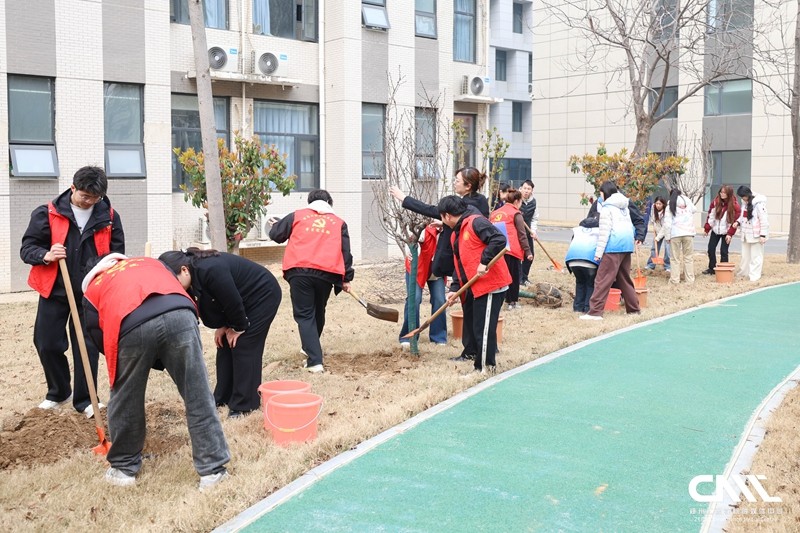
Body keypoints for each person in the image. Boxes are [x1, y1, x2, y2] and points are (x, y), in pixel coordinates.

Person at [82, 254, 230, 489]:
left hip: (130, 325)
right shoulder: (148, 262)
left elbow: (97, 335)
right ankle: (213, 471)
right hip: (181, 313)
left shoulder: (93, 287)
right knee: (197, 394)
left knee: (125, 398)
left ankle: (123, 469)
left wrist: (131, 365)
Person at [20, 165, 125, 417]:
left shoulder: (109, 216)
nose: (89, 201)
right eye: (85, 196)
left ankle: (86, 400)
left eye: (95, 198)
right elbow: (27, 248)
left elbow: (116, 253)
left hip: (90, 293)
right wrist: (46, 254)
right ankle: (58, 392)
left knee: (86, 346)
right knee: (46, 343)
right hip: (55, 290)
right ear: (73, 188)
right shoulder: (47, 213)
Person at [159, 248, 282, 417]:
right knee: (223, 342)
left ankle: (244, 405)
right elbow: (218, 300)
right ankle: (222, 397)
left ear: (184, 270)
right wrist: (224, 326)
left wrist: (238, 327)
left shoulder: (210, 269)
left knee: (244, 344)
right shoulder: (194, 273)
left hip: (262, 295)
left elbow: (232, 300)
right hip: (241, 300)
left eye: (174, 282)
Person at [388, 167, 490, 363]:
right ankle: (470, 349)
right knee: (465, 306)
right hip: (457, 262)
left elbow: (431, 210)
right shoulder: (477, 203)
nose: (454, 182)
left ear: (468, 185)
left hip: (463, 261)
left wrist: (404, 199)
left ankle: (473, 350)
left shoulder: (468, 205)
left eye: (457, 180)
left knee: (468, 307)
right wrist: (445, 224)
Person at [268, 189, 354, 373]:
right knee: (318, 311)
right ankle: (310, 346)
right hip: (326, 273)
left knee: (305, 314)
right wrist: (346, 277)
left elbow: (276, 235)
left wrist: (276, 225)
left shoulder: (297, 216)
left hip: (299, 270)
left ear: (309, 201)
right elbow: (345, 251)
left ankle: (315, 360)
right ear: (329, 202)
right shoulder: (338, 223)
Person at [440, 195, 511, 374]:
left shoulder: (475, 222)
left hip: (490, 285)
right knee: (476, 326)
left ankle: (485, 368)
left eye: (441, 216)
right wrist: (454, 289)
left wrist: (484, 261)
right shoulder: (456, 233)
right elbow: (460, 265)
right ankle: (480, 362)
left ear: (447, 216)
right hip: (474, 287)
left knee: (483, 328)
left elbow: (499, 239)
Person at [580, 181, 640, 320]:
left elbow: (604, 232)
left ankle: (595, 312)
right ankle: (634, 309)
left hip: (613, 246)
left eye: (600, 193)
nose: (599, 196)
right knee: (625, 279)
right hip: (626, 245)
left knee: (602, 279)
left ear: (605, 193)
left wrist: (598, 254)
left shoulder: (607, 208)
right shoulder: (624, 206)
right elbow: (631, 227)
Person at [399, 223, 447, 347]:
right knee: (414, 298)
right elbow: (413, 238)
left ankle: (438, 337)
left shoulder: (450, 232)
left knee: (440, 300)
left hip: (437, 270)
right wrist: (409, 248)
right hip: (417, 268)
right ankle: (409, 336)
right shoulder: (425, 231)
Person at [490, 189, 533, 310]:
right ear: (517, 201)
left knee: (501, 276)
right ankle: (512, 302)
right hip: (511, 250)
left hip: (497, 250)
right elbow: (522, 234)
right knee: (513, 277)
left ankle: (500, 300)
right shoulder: (515, 213)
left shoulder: (495, 213)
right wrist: (528, 252)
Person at [565, 212, 600, 313]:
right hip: (589, 261)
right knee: (590, 283)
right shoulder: (598, 232)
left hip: (572, 261)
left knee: (580, 282)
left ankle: (577, 307)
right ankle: (588, 307)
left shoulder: (577, 231)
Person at [702, 185, 741, 275]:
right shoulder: (715, 202)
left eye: (724, 193)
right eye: (721, 192)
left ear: (729, 193)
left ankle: (724, 270)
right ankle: (712, 268)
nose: (722, 194)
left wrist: (730, 234)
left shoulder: (734, 205)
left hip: (726, 232)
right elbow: (710, 216)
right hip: (716, 230)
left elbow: (735, 221)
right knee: (710, 249)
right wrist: (707, 229)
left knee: (724, 251)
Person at [734, 185, 769, 281]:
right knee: (745, 256)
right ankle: (743, 273)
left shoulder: (759, 204)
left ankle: (754, 276)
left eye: (743, 196)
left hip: (756, 235)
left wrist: (763, 235)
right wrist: (737, 222)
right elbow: (742, 216)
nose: (742, 198)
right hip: (745, 234)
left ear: (747, 194)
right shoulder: (744, 203)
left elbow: (764, 220)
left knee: (756, 256)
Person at [663, 188, 697, 284]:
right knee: (688, 257)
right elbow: (695, 209)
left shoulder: (670, 204)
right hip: (688, 233)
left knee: (674, 259)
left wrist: (667, 237)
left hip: (675, 234)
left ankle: (675, 280)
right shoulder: (687, 201)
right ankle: (689, 280)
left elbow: (667, 223)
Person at [519, 180, 538, 286]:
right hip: (516, 233)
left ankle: (524, 277)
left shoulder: (533, 202)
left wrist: (533, 231)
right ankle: (517, 278)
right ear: (521, 188)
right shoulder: (516, 199)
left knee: (530, 255)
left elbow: (535, 218)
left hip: (527, 232)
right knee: (517, 256)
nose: (526, 191)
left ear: (532, 191)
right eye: (525, 188)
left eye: (529, 189)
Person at [645, 196, 671, 272]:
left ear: (663, 204)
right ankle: (651, 265)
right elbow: (652, 219)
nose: (658, 205)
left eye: (660, 204)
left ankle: (668, 266)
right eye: (657, 203)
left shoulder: (667, 211)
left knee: (667, 250)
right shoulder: (653, 208)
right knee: (654, 248)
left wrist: (658, 237)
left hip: (666, 232)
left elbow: (665, 226)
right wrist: (654, 226)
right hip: (657, 231)